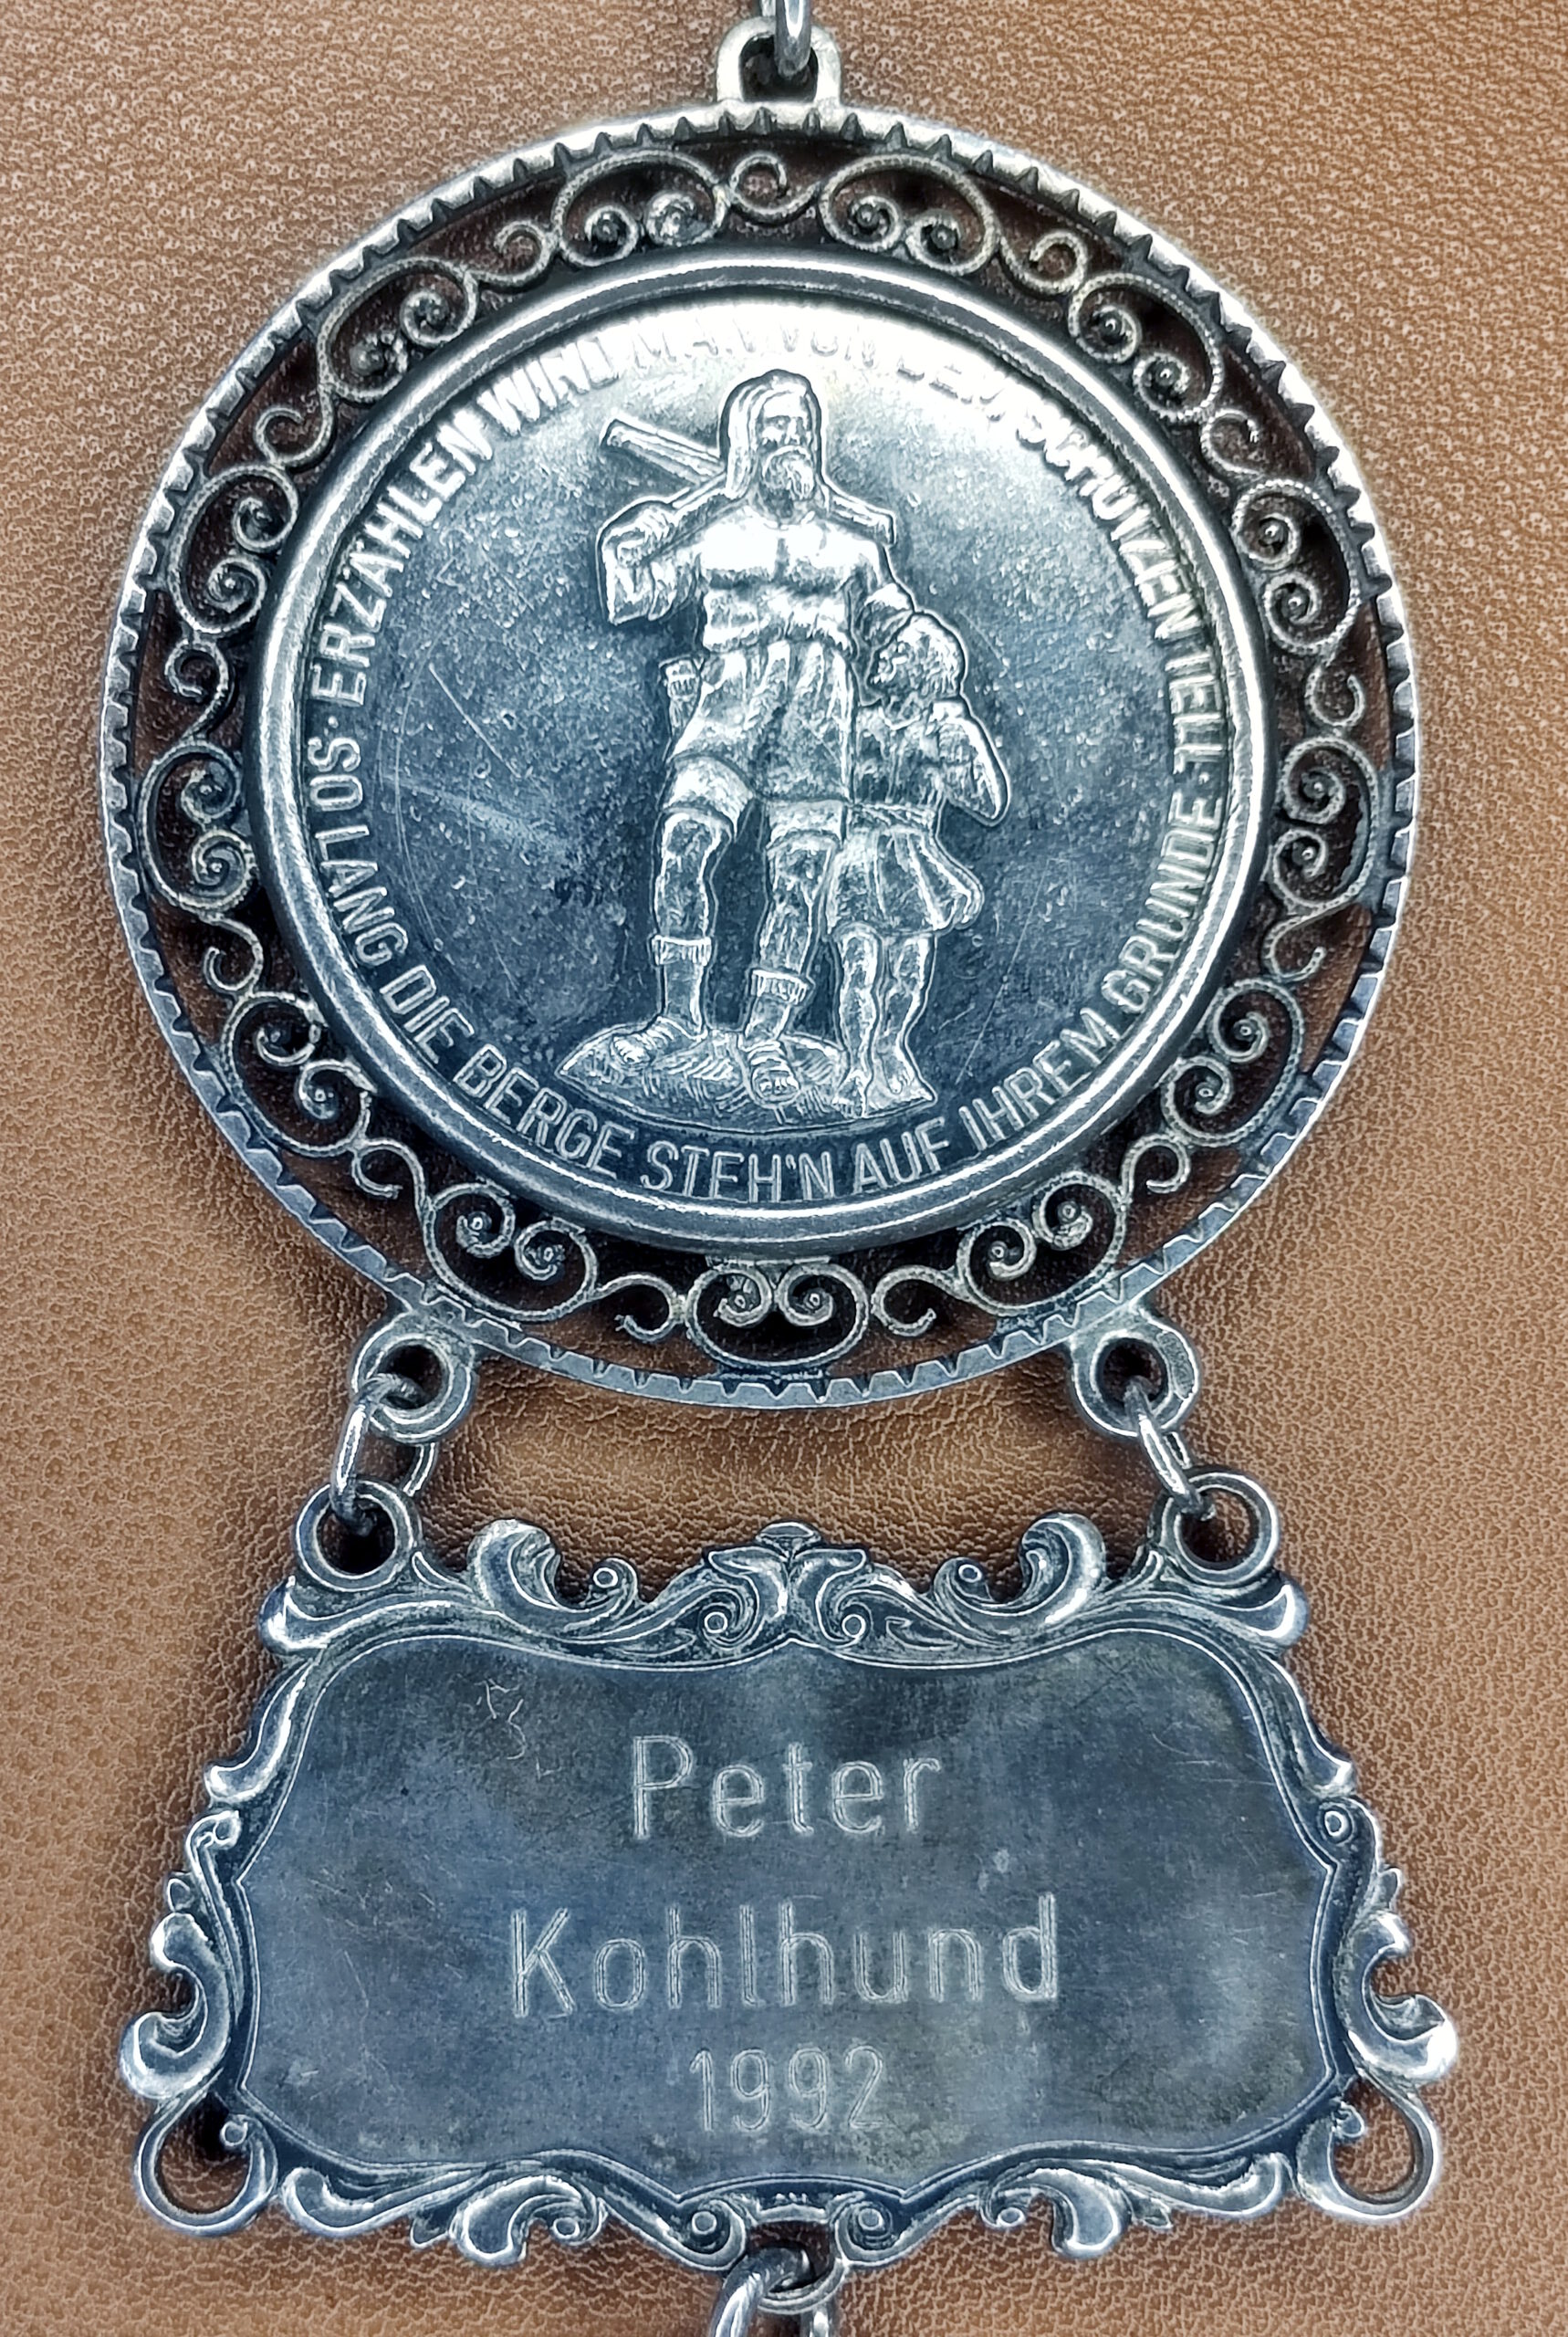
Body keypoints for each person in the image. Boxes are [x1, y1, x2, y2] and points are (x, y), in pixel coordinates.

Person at [596, 371, 915, 1106]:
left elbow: (895, 639)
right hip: (726, 712)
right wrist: (634, 535)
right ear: (748, 442)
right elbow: (631, 597)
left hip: (818, 725)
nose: (788, 441)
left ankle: (765, 1037)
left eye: (799, 429)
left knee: (799, 881)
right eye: (773, 430)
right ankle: (678, 1018)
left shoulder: (856, 546)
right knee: (682, 848)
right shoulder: (716, 534)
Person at [826, 615, 1009, 1115]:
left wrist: (959, 744)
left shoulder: (947, 731)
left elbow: (988, 804)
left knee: (908, 975)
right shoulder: (855, 720)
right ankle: (856, 1067)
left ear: (926, 668)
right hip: (858, 855)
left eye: (898, 652)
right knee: (859, 968)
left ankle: (890, 1047)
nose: (883, 657)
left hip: (914, 858)